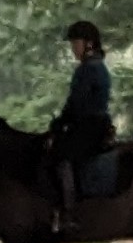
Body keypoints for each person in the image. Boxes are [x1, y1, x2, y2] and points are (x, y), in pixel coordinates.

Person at [48, 19, 113, 225]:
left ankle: (69, 211)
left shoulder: (86, 70)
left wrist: (60, 122)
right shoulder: (98, 66)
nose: (73, 49)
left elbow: (77, 102)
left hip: (89, 126)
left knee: (60, 156)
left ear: (89, 44)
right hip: (99, 124)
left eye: (75, 44)